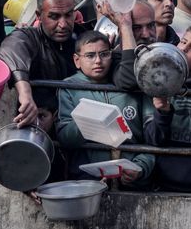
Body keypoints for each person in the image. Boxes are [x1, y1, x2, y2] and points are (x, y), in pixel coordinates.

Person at [56, 31, 155, 188]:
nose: (98, 61)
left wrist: (140, 167)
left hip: (132, 179)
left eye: (104, 54)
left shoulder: (130, 85)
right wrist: (88, 121)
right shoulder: (69, 87)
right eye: (90, 55)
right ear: (77, 60)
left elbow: (152, 141)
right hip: (88, 179)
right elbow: (64, 137)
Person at [145, 25, 191, 193]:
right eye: (183, 42)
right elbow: (152, 141)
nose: (184, 49)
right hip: (161, 184)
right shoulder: (158, 81)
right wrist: (162, 111)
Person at [0, 0, 81, 127]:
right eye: (54, 16)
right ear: (39, 15)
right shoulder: (28, 37)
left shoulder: (84, 38)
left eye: (68, 15)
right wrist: (25, 93)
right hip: (36, 127)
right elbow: (11, 49)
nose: (63, 24)